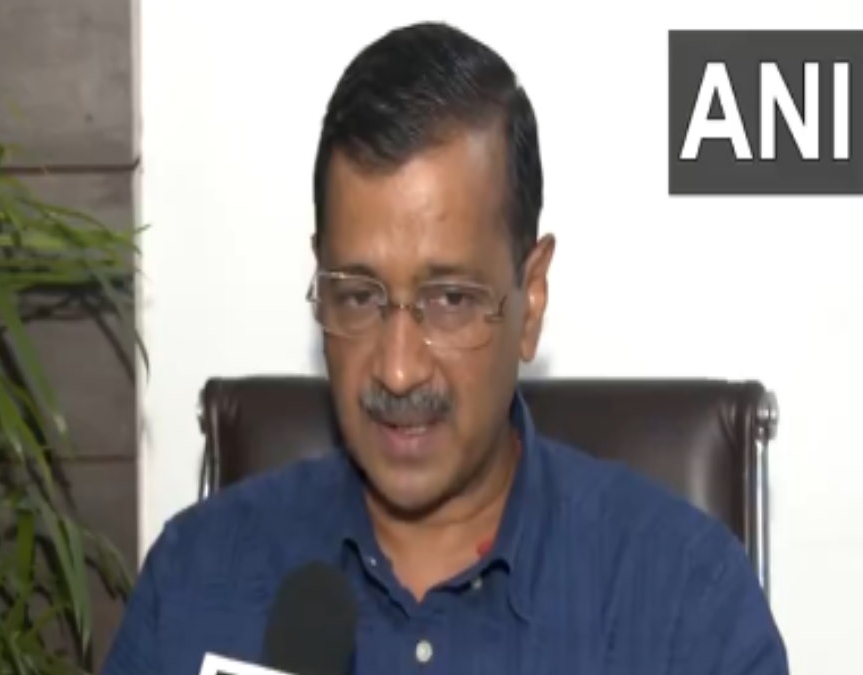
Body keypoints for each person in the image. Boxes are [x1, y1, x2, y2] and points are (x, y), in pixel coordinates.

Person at [102, 21, 788, 675]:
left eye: (450, 299)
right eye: (359, 296)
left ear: (531, 299)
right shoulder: (194, 580)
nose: (399, 369)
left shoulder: (686, 606)